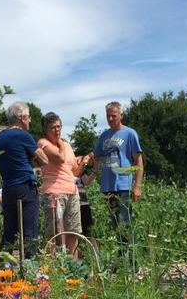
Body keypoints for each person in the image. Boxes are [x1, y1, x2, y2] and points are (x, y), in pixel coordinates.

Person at [0, 101, 49, 255]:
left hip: (8, 189)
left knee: (9, 233)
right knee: (30, 233)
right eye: (28, 117)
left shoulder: (0, 138)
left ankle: (5, 271)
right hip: (25, 187)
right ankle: (32, 274)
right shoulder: (23, 135)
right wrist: (32, 159)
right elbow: (44, 160)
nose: (30, 120)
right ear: (22, 118)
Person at [92, 101, 143, 261]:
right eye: (108, 116)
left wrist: (137, 186)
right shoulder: (104, 136)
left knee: (125, 224)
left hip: (124, 185)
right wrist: (94, 172)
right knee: (114, 224)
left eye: (114, 115)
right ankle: (120, 260)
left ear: (121, 115)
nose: (111, 118)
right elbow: (97, 155)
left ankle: (132, 261)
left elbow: (138, 161)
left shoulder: (130, 134)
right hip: (108, 186)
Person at [37, 112, 92, 257]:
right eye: (53, 128)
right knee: (54, 233)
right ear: (45, 130)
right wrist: (61, 142)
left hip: (72, 191)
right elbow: (60, 158)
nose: (57, 130)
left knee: (73, 231)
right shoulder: (43, 144)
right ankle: (53, 268)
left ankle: (72, 268)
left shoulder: (67, 145)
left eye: (59, 126)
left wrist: (85, 162)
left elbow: (74, 171)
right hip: (55, 192)